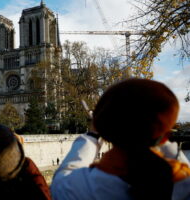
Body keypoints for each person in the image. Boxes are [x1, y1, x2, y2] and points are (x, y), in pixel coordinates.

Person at [51, 78, 190, 200]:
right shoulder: (183, 180)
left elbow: (63, 175)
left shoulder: (79, 188)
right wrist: (157, 132)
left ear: (104, 129)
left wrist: (93, 134)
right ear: (165, 136)